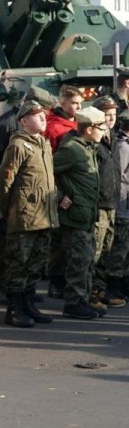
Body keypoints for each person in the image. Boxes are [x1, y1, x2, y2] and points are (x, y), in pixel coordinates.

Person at [0, 99, 57, 328]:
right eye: (36, 115)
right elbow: (5, 181)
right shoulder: (19, 146)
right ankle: (14, 308)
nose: (43, 118)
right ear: (23, 121)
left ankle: (29, 303)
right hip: (24, 216)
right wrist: (7, 211)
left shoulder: (44, 144)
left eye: (43, 114)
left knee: (36, 263)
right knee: (18, 263)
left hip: (44, 214)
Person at [52, 107, 106, 320]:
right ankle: (73, 302)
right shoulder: (72, 149)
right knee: (78, 260)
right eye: (100, 127)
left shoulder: (87, 147)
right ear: (89, 128)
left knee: (86, 259)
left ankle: (81, 299)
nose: (104, 131)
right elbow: (45, 172)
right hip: (75, 216)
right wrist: (59, 196)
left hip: (86, 214)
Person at [90, 95, 119, 313]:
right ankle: (90, 292)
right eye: (107, 115)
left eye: (113, 115)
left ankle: (100, 289)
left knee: (107, 250)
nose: (111, 119)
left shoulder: (113, 139)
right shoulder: (94, 142)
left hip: (112, 202)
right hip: (99, 203)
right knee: (95, 251)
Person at [107, 111, 129, 307]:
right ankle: (113, 285)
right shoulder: (123, 147)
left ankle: (122, 284)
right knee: (120, 249)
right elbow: (120, 178)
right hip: (123, 205)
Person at [45, 86, 83, 151]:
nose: (79, 107)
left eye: (80, 103)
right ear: (63, 104)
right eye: (74, 103)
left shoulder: (80, 123)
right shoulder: (53, 129)